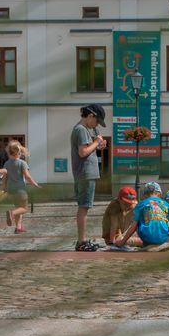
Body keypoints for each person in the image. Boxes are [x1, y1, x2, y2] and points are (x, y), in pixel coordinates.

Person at [71, 103, 107, 251]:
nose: (96, 125)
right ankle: (82, 241)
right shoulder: (81, 130)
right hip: (85, 173)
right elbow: (83, 152)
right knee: (84, 207)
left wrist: (97, 146)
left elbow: (87, 150)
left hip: (85, 173)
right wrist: (96, 142)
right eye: (97, 121)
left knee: (84, 206)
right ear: (91, 116)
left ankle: (82, 240)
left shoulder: (84, 129)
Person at [115, 181, 169, 251]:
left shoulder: (140, 204)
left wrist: (122, 242)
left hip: (147, 238)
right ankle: (164, 244)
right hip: (163, 238)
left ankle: (145, 243)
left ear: (144, 195)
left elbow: (133, 227)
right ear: (159, 194)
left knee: (136, 220)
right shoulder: (165, 204)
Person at [2, 140, 41, 234]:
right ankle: (12, 213)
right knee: (24, 208)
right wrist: (35, 184)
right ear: (19, 152)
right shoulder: (22, 163)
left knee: (18, 207)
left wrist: (4, 188)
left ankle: (18, 228)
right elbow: (27, 176)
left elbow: (4, 178)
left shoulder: (6, 164)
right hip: (20, 190)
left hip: (11, 189)